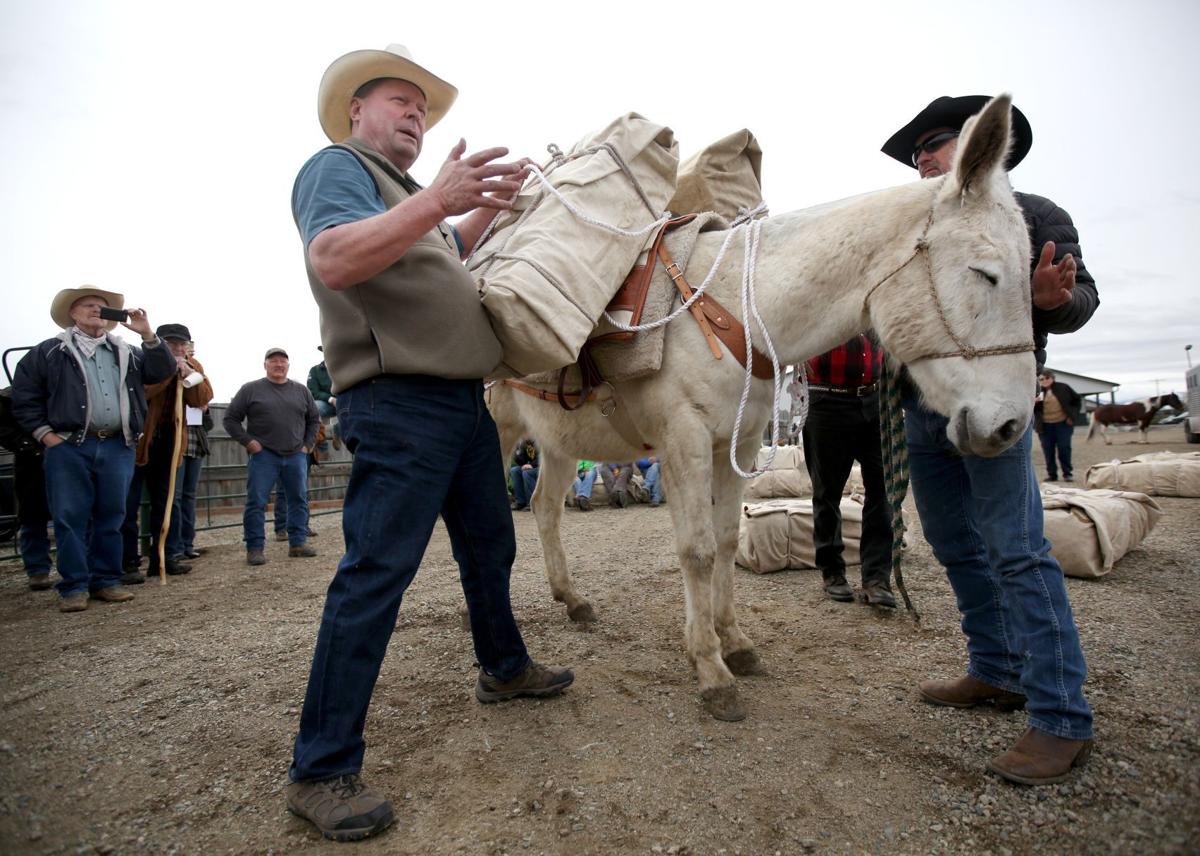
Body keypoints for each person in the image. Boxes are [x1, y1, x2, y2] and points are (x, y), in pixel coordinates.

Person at [285, 44, 573, 841]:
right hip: (397, 400)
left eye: (422, 108)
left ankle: (504, 670)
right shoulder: (337, 168)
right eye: (399, 102)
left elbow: (445, 256)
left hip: (460, 401)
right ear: (356, 111)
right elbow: (333, 258)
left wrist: (486, 209)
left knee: (490, 548)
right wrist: (440, 199)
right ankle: (320, 769)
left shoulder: (408, 199)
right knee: (376, 572)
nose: (415, 115)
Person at [882, 95, 1099, 784]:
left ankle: (1062, 717)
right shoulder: (911, 227)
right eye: (917, 151)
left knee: (1017, 550)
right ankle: (996, 669)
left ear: (982, 145)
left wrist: (1051, 300)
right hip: (923, 409)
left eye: (936, 142)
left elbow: (1083, 300)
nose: (922, 157)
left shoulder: (1034, 214)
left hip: (993, 404)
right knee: (954, 545)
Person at [11, 286, 172, 612]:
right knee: (70, 517)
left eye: (101, 306)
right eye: (87, 305)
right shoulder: (49, 352)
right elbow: (24, 396)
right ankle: (74, 586)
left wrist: (148, 334)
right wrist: (46, 435)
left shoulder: (128, 352)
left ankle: (106, 580)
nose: (96, 309)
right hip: (69, 446)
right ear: (72, 313)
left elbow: (161, 371)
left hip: (117, 444)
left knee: (112, 515)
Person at [800, 336, 895, 608]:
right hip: (827, 398)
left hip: (875, 397)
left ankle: (877, 578)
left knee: (883, 489)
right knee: (827, 492)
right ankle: (832, 571)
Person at [121, 323, 213, 581]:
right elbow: (141, 392)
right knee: (127, 503)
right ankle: (127, 562)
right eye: (172, 344)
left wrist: (189, 375)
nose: (179, 348)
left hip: (171, 442)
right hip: (138, 440)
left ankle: (165, 557)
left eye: (183, 344)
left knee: (168, 501)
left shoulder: (193, 365)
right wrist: (169, 372)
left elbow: (202, 398)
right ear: (160, 343)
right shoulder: (139, 360)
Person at [223, 347, 320, 566]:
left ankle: (298, 543)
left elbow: (314, 419)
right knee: (256, 502)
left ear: (288, 365)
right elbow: (230, 419)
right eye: (273, 360)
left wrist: (307, 445)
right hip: (264, 456)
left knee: (298, 499)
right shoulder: (250, 389)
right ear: (265, 365)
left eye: (283, 361)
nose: (279, 364)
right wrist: (248, 442)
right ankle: (255, 548)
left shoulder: (302, 391)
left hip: (296, 455)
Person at [0, 384, 53, 590]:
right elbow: (4, 429)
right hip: (31, 462)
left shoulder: (64, 385)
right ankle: (37, 569)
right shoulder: (11, 396)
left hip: (65, 455)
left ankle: (79, 568)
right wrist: (28, 446)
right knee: (32, 515)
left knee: (75, 515)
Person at [1035, 370, 1082, 482]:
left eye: (1047, 378)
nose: (1044, 381)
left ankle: (1067, 474)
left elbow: (1077, 400)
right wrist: (1034, 403)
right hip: (1045, 426)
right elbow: (1033, 410)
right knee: (1048, 450)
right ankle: (1052, 475)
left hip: (1063, 424)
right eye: (1041, 379)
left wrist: (1072, 416)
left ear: (1052, 378)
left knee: (1064, 448)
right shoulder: (1038, 392)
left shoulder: (1063, 388)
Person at [307, 347, 341, 450]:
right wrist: (330, 399)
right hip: (326, 403)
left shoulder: (344, 367)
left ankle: (337, 431)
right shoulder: (314, 370)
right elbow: (313, 392)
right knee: (313, 408)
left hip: (345, 402)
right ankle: (320, 441)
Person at [509, 437, 538, 511]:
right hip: (533, 467)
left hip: (544, 468)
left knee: (527, 473)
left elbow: (544, 458)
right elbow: (522, 461)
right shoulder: (525, 444)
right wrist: (515, 451)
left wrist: (531, 465)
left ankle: (532, 503)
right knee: (514, 471)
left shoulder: (540, 441)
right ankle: (521, 502)